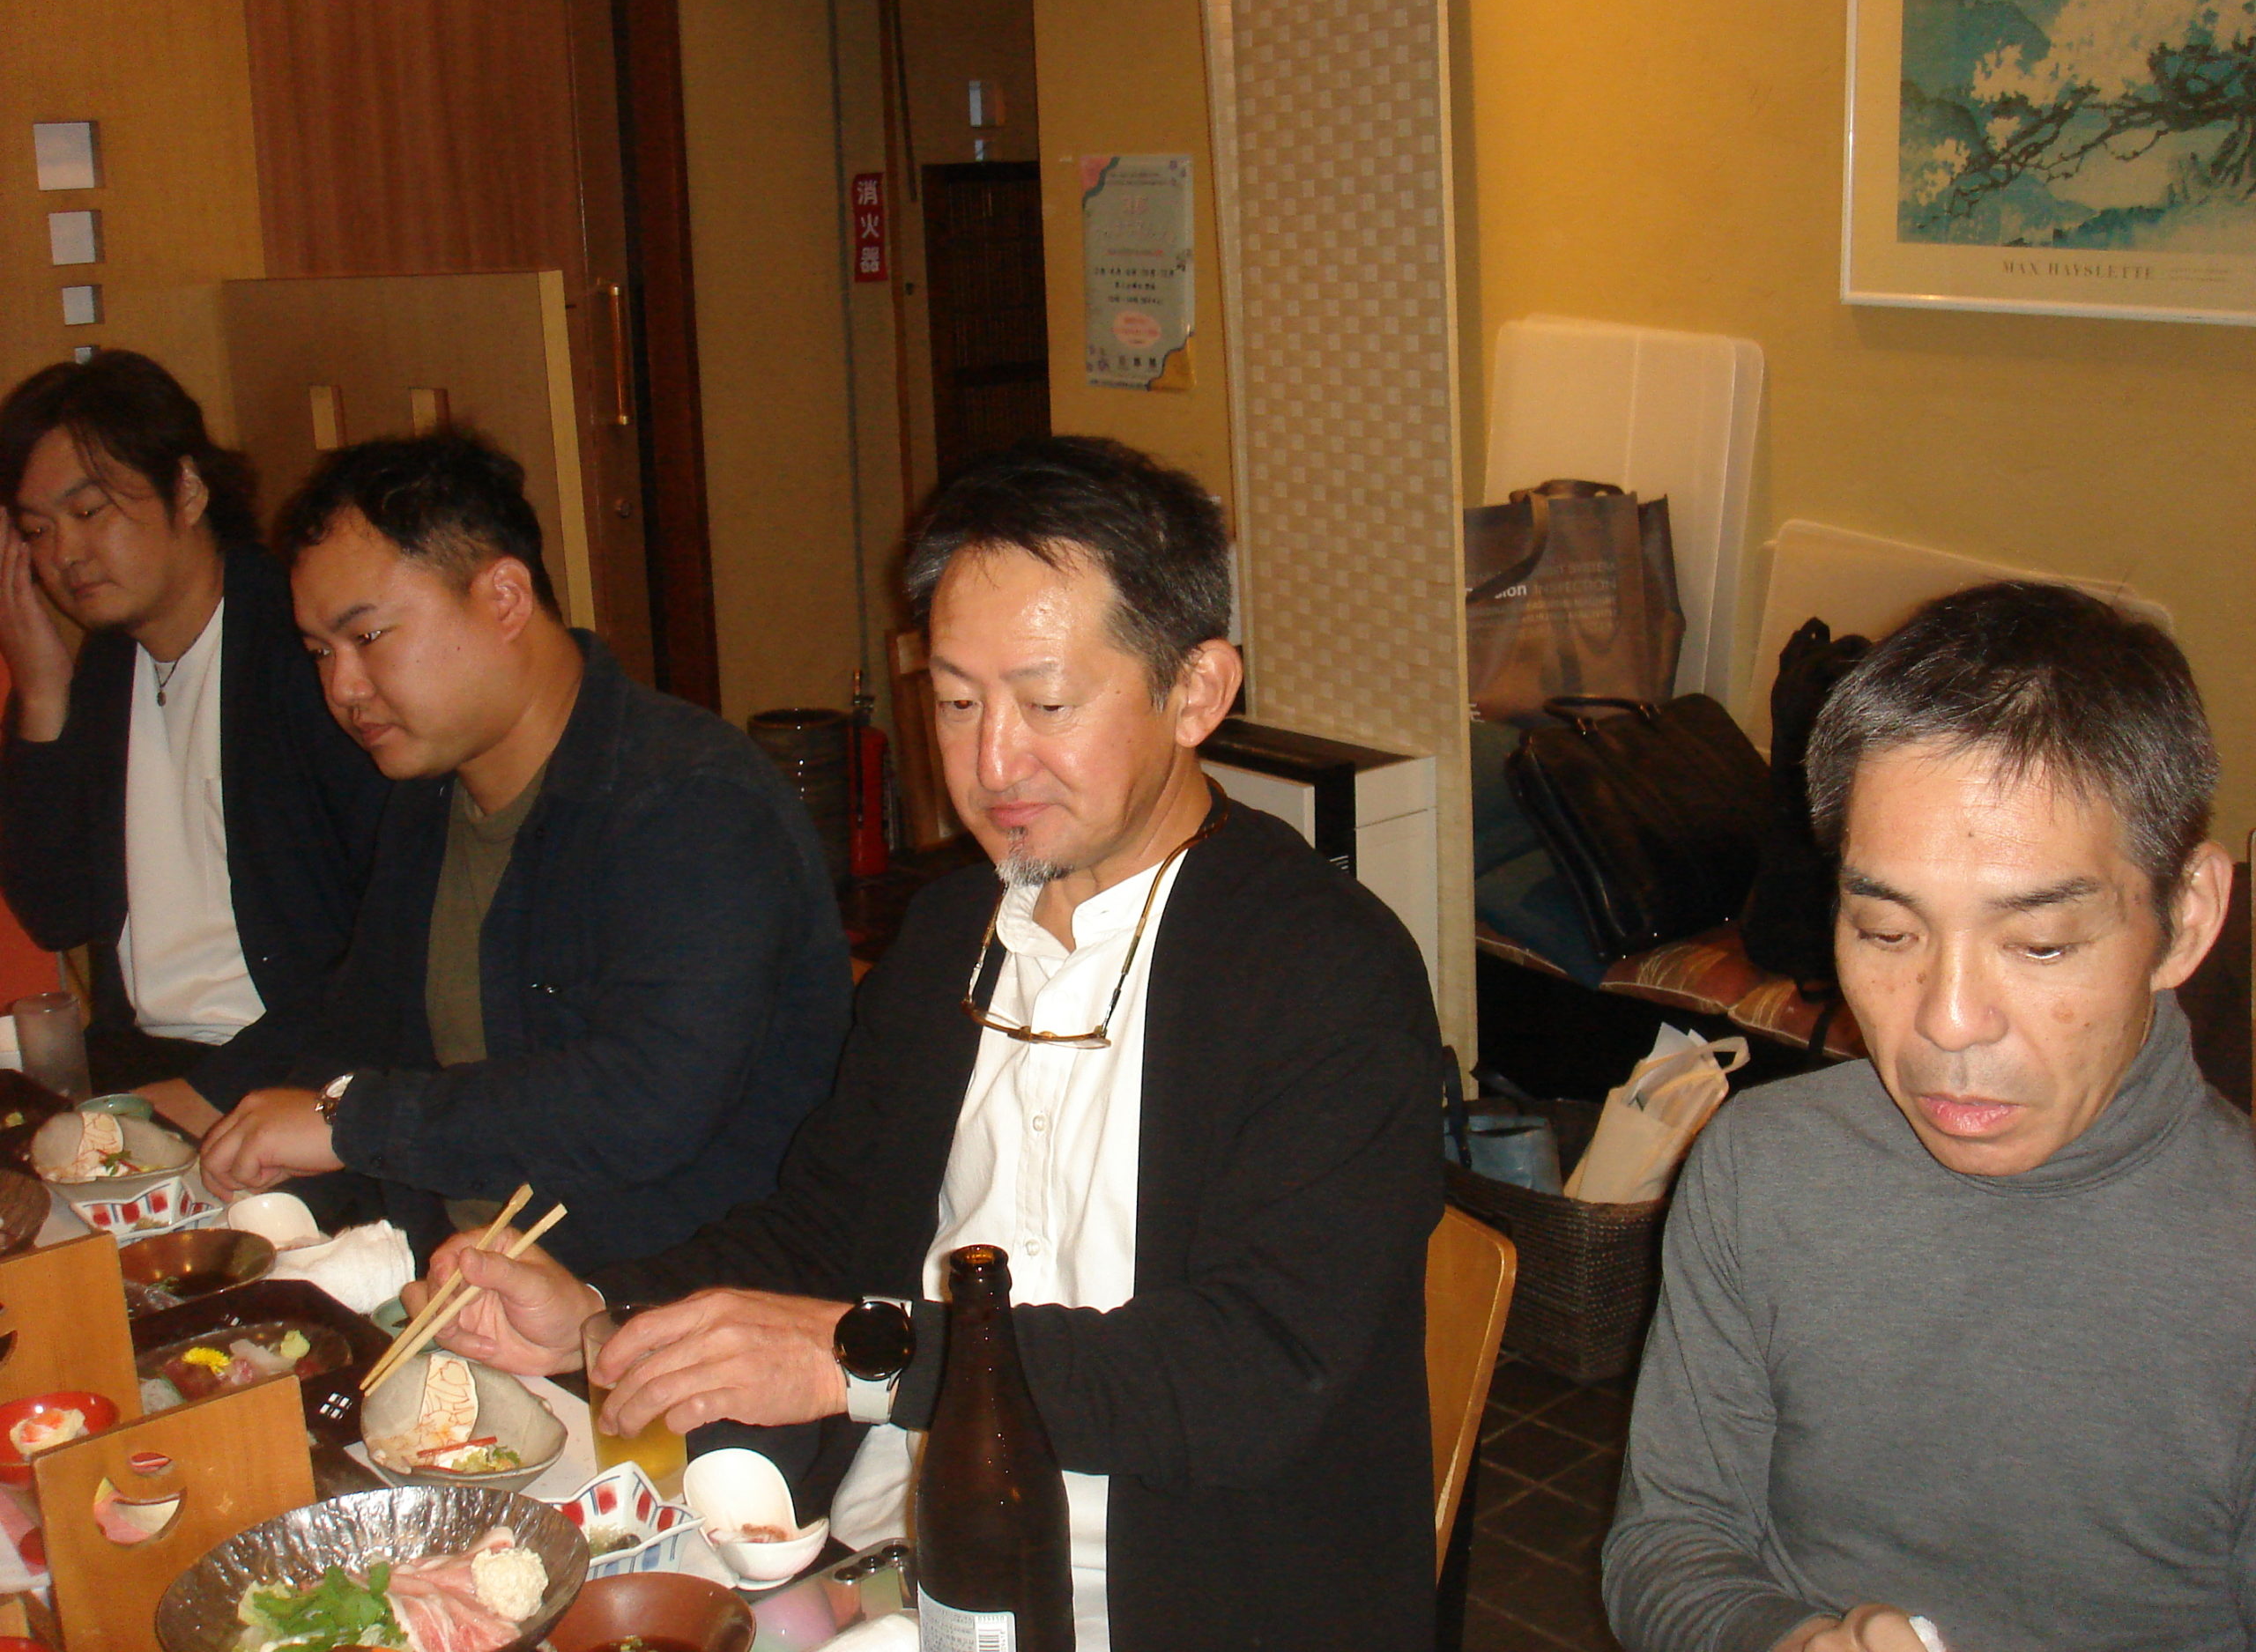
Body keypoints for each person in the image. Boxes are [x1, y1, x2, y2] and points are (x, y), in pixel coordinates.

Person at [411, 436, 1443, 1649]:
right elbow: (826, 1223)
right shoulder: (956, 931)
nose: (990, 762)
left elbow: (1249, 1373)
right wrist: (598, 1306)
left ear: (1197, 692)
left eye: (1046, 704)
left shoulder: (1326, 973)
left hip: (1166, 1598)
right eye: (956, 702)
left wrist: (868, 1360)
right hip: (894, 1567)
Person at [1602, 582, 2248, 1652]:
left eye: (2038, 945)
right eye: (1887, 932)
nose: (1946, 1022)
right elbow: (1672, 1542)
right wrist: (1785, 1641)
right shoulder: (1762, 1170)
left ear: (2183, 919)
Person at [191, 429, 853, 1270]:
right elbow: (360, 1026)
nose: (342, 689)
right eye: (320, 653)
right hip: (451, 1271)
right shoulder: (431, 795)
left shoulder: (690, 800)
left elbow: (645, 1103)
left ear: (504, 599)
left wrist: (345, 1123)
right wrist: (255, 1147)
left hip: (648, 1297)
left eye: (369, 638)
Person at [0, 351, 388, 1106]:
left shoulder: (304, 650)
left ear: (186, 489)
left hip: (297, 1071)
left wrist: (207, 1094)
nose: (64, 555)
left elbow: (390, 944)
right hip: (143, 1065)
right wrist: (42, 692)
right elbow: (57, 912)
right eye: (36, 530)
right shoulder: (110, 664)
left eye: (89, 512)